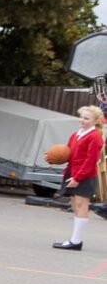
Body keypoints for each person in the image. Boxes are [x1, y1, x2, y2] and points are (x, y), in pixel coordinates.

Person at [52, 104, 102, 250]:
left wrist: (78, 178)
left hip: (84, 175)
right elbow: (69, 154)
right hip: (72, 173)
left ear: (95, 121)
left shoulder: (95, 137)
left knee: (81, 205)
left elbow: (91, 161)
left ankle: (76, 241)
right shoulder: (76, 134)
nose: (82, 120)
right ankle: (74, 239)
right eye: (81, 117)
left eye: (87, 118)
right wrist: (55, 158)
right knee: (75, 205)